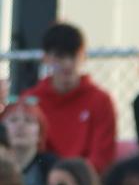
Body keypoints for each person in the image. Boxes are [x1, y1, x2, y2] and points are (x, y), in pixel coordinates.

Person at [22, 22, 116, 173]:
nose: (68, 64)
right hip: (41, 181)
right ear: (45, 58)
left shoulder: (100, 100)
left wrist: (74, 178)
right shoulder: (31, 100)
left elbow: (102, 156)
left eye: (73, 56)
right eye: (60, 57)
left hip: (84, 181)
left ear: (83, 56)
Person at [3, 99, 59, 185]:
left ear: (40, 133)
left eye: (28, 120)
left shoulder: (51, 166)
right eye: (13, 120)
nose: (20, 125)